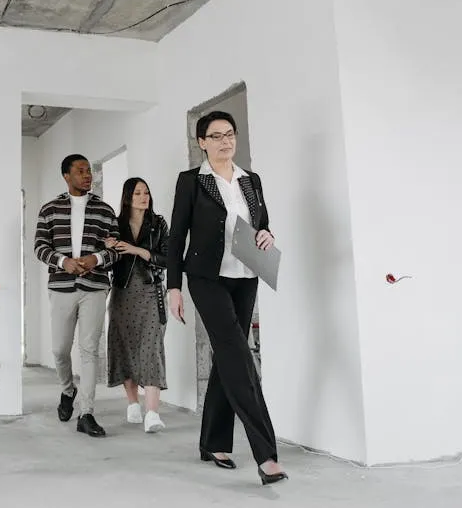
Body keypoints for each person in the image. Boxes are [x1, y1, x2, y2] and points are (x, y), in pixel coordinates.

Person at [166, 110, 288, 485]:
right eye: (216, 136)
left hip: (246, 275)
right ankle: (266, 455)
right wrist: (173, 286)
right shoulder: (191, 182)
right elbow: (176, 236)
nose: (225, 141)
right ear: (202, 142)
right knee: (239, 355)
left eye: (229, 134)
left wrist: (267, 234)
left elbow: (260, 221)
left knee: (226, 357)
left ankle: (213, 442)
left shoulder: (251, 180)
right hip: (206, 278)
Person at [34, 154, 121, 438]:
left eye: (88, 171)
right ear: (66, 176)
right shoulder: (49, 209)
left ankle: (87, 413)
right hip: (61, 286)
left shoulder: (105, 210)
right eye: (80, 171)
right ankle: (68, 390)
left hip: (95, 287)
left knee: (89, 349)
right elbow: (39, 246)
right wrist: (63, 262)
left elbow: (115, 248)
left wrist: (96, 258)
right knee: (60, 349)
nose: (87, 176)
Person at [105, 177, 170, 434]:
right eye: (138, 193)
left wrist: (136, 250)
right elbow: (107, 261)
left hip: (151, 291)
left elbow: (167, 258)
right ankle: (133, 403)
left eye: (146, 192)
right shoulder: (116, 225)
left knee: (151, 348)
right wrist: (108, 247)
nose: (144, 197)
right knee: (125, 346)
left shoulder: (158, 224)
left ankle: (152, 412)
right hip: (122, 293)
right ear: (128, 198)